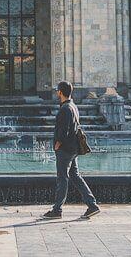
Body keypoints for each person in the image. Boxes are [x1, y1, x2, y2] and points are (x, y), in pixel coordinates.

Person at [42, 80, 100, 219]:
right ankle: (92, 205)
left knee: (62, 178)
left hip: (65, 149)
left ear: (60, 92)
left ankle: (57, 210)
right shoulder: (73, 106)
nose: (57, 92)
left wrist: (58, 143)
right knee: (75, 176)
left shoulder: (65, 109)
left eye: (57, 90)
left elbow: (64, 129)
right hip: (73, 148)